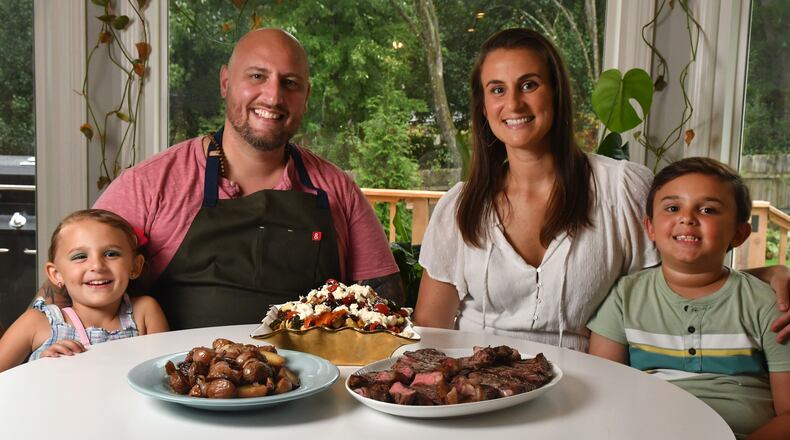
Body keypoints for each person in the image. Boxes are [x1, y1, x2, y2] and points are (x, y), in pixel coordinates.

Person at [412, 28, 790, 351]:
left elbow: (684, 282)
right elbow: (430, 330)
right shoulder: (461, 206)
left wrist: (768, 276)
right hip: (476, 393)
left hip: (592, 388)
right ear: (483, 106)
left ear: (557, 93)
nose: (513, 103)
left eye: (529, 84)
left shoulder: (622, 188)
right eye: (497, 89)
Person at [93, 28, 400, 330]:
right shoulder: (149, 184)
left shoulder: (338, 190)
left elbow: (386, 309)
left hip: (313, 377)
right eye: (257, 76)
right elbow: (72, 284)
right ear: (226, 82)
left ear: (305, 96)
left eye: (290, 83)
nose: (273, 96)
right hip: (178, 375)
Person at [587, 158, 789, 439]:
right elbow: (602, 388)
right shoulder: (625, 297)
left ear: (739, 233)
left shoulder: (767, 304)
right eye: (672, 208)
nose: (687, 218)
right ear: (651, 228)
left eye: (708, 210)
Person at [0, 209, 168, 372]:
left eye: (111, 254)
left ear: (135, 266)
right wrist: (40, 370)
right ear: (57, 274)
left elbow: (164, 377)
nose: (97, 266)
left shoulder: (145, 312)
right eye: (80, 257)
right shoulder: (36, 323)